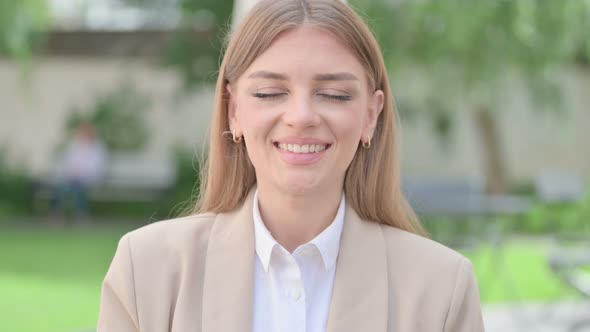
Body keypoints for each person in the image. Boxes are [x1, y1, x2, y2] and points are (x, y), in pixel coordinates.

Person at [98, 0, 485, 331]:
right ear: (233, 111)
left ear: (371, 114)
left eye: (334, 94)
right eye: (270, 92)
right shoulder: (148, 271)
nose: (301, 116)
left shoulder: (442, 289)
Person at [49, 121, 107, 223]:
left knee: (78, 187)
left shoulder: (97, 148)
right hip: (73, 177)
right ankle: (57, 213)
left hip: (89, 178)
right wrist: (72, 172)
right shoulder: (75, 146)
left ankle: (80, 214)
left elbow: (97, 167)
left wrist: (82, 173)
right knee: (61, 187)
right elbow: (68, 163)